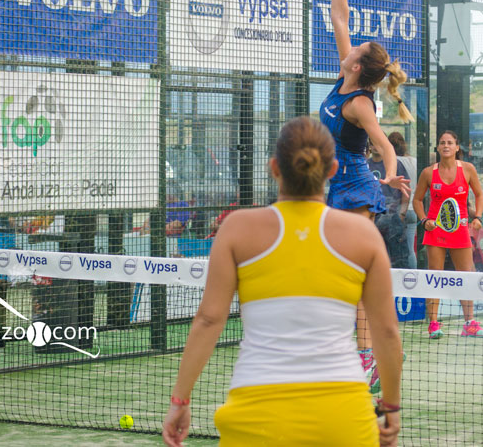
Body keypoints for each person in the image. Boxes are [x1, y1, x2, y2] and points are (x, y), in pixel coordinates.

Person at [161, 117, 403, 447]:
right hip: (344, 417)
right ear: (333, 170)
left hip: (256, 415)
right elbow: (386, 331)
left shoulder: (237, 229)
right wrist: (391, 407)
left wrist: (180, 402)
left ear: (274, 168)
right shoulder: (363, 234)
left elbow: (209, 319)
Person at [319, 0, 412, 388]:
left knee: (353, 273)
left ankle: (367, 357)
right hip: (331, 186)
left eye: (358, 48)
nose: (350, 47)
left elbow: (383, 143)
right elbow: (339, 15)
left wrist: (392, 171)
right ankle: (354, 349)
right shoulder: (344, 71)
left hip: (355, 188)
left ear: (359, 65)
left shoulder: (360, 103)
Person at [413, 130, 483, 339]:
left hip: (461, 230)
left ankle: (470, 323)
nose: (445, 145)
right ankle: (434, 325)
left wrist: (479, 217)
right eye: (442, 143)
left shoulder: (468, 169)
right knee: (434, 278)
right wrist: (424, 220)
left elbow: (480, 194)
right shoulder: (428, 173)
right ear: (438, 148)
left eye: (450, 143)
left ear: (457, 148)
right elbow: (417, 200)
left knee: (466, 275)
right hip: (435, 231)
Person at [368, 140, 410, 269]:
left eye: (378, 143)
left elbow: (406, 189)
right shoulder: (365, 165)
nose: (375, 146)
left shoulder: (395, 164)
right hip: (372, 217)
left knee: (399, 259)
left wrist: (401, 213)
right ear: (369, 146)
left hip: (393, 216)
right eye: (372, 143)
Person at [389, 131, 418, 268]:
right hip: (413, 209)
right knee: (410, 249)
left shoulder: (393, 162)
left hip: (400, 209)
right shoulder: (414, 161)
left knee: (395, 249)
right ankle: (413, 278)